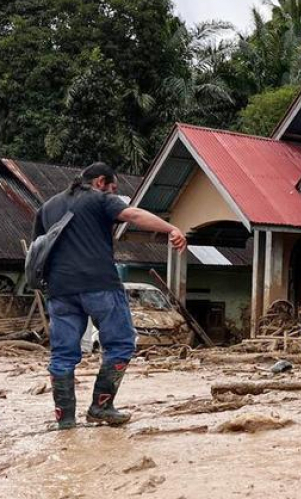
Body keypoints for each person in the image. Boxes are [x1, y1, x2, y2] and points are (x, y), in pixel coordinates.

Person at [33, 162, 187, 430]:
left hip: (60, 290)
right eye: (113, 188)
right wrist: (171, 229)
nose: (114, 194)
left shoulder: (47, 207)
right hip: (99, 284)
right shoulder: (98, 198)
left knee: (62, 355)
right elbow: (134, 215)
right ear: (100, 182)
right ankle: (101, 407)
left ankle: (65, 421)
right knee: (121, 343)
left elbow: (38, 247)